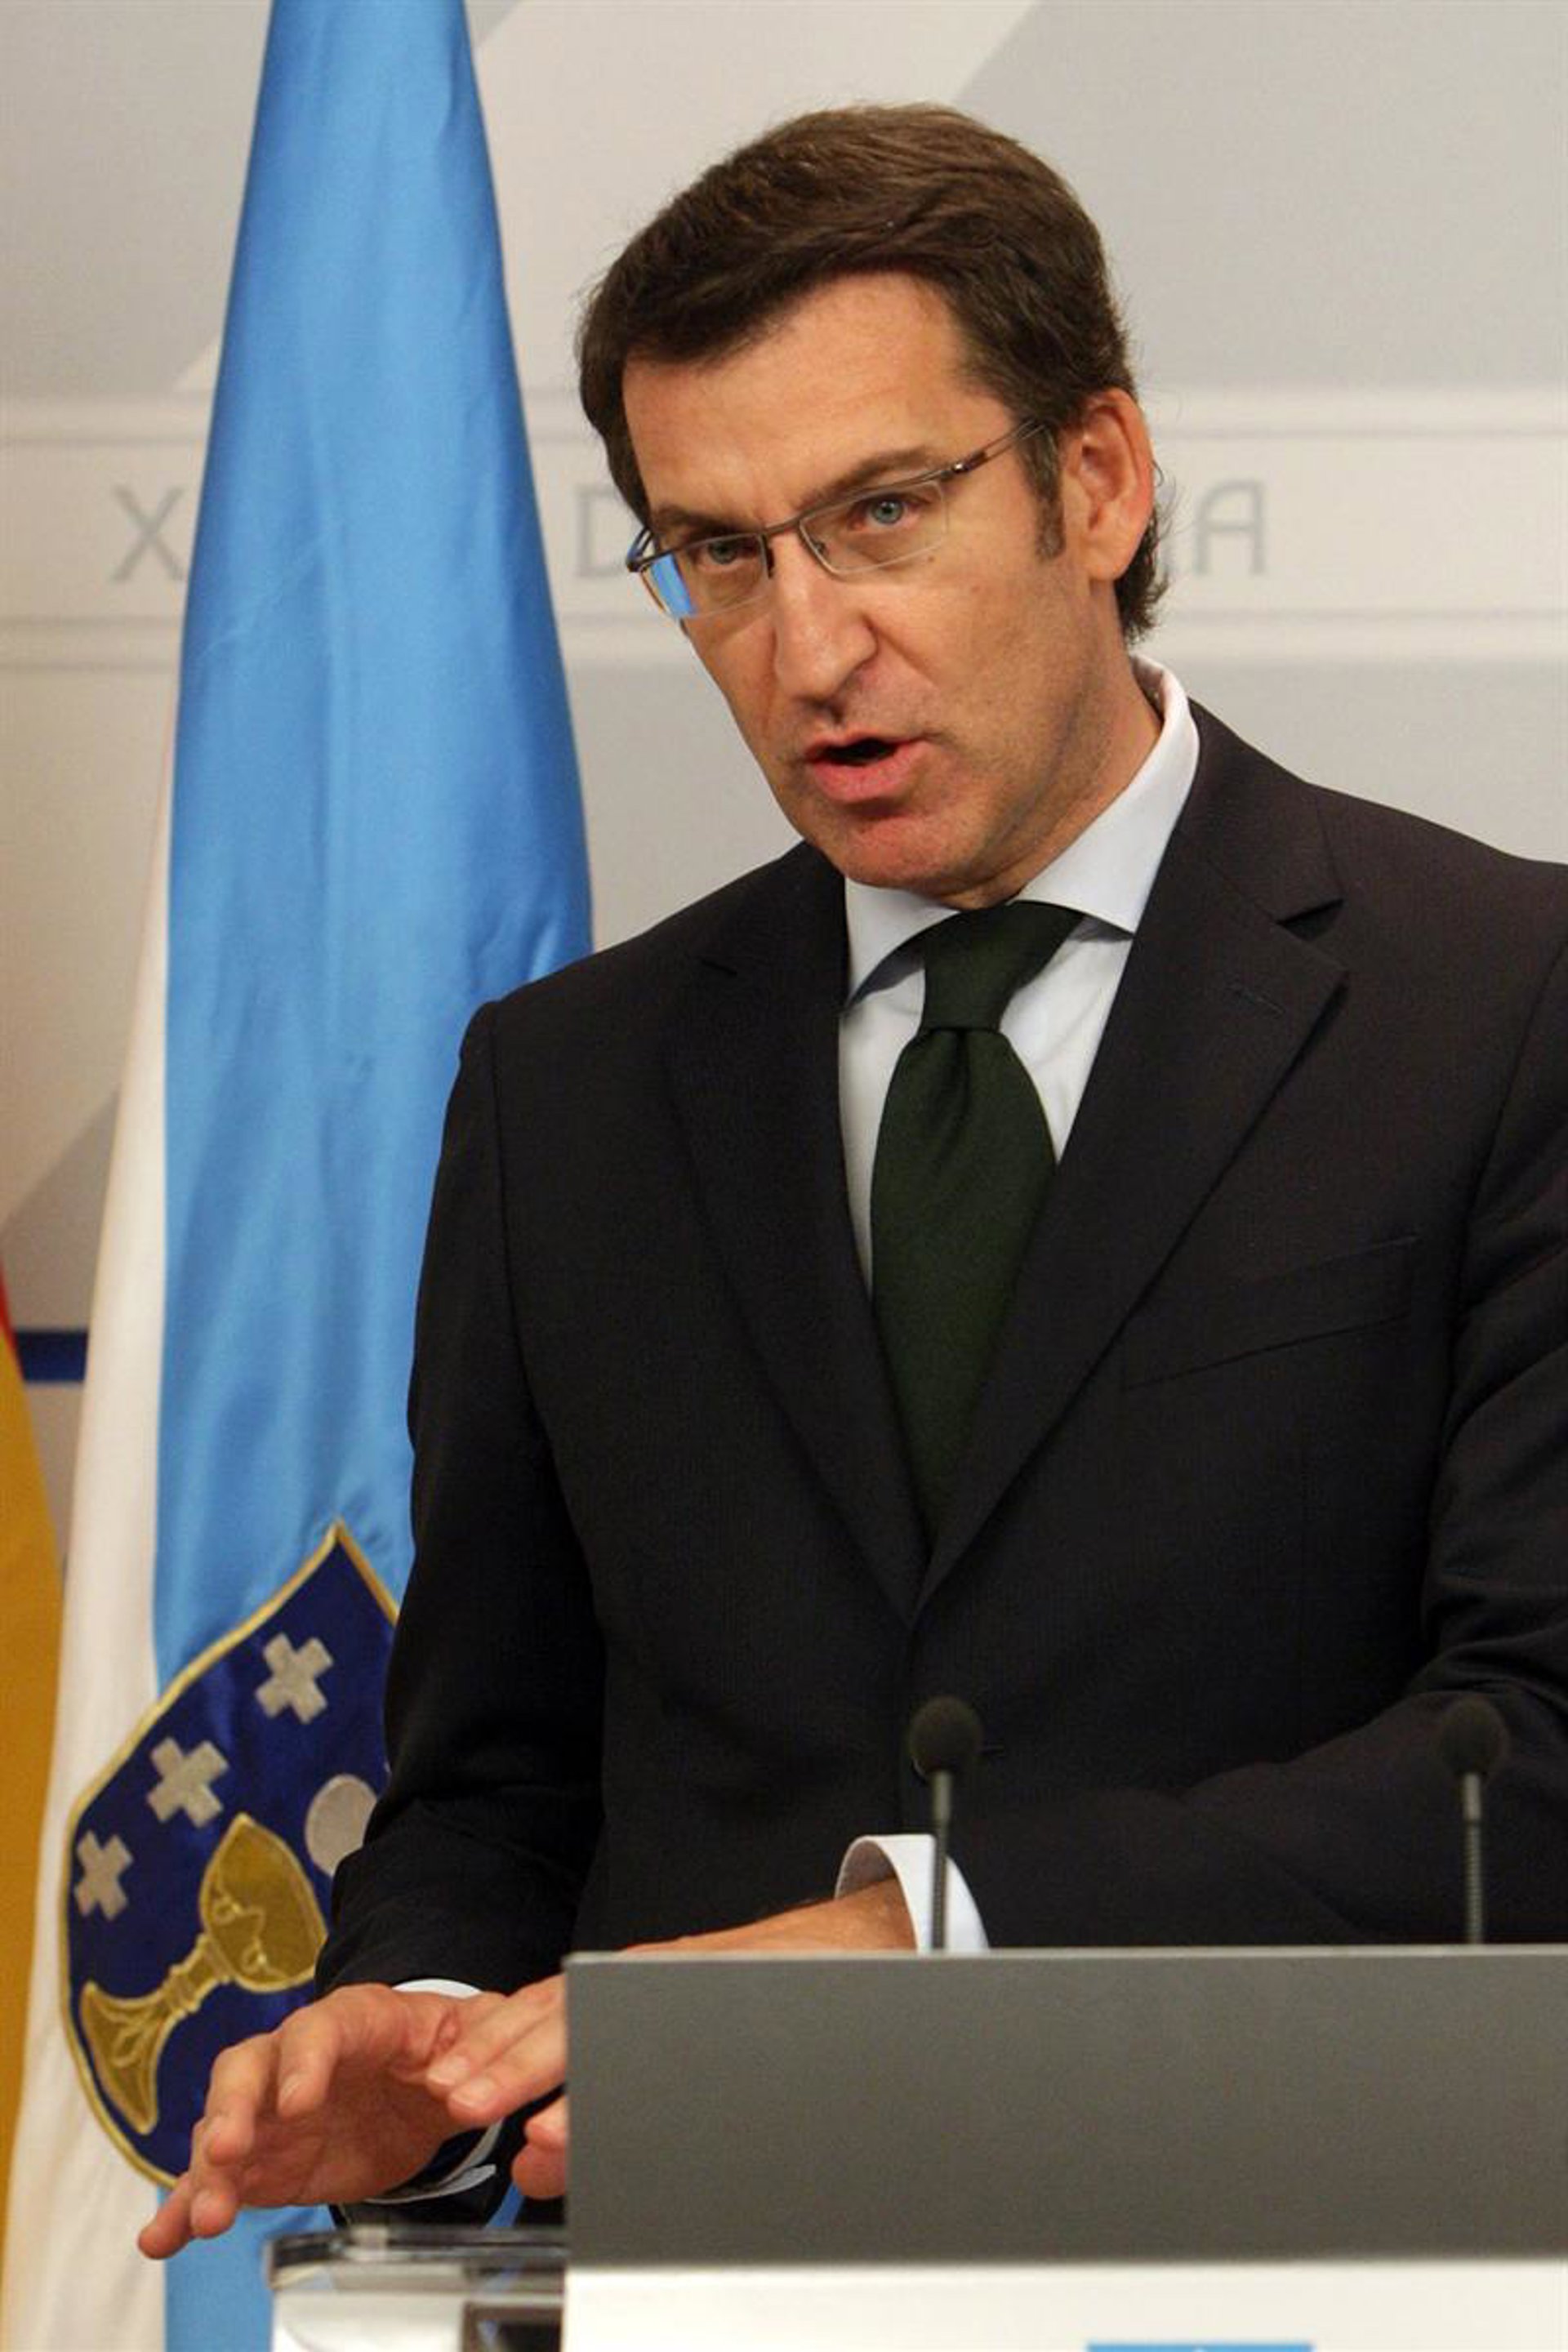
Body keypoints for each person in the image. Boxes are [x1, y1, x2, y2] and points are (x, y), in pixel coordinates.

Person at [140, 104, 1567, 2259]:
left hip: (1311, 2253)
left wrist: (923, 1929)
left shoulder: (1505, 1002)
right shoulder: (567, 1090)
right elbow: (501, 1784)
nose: (807, 650)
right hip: (710, 2278)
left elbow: (1536, 1757)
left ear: (1099, 479)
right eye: (720, 554)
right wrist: (424, 2045)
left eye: (881, 513)